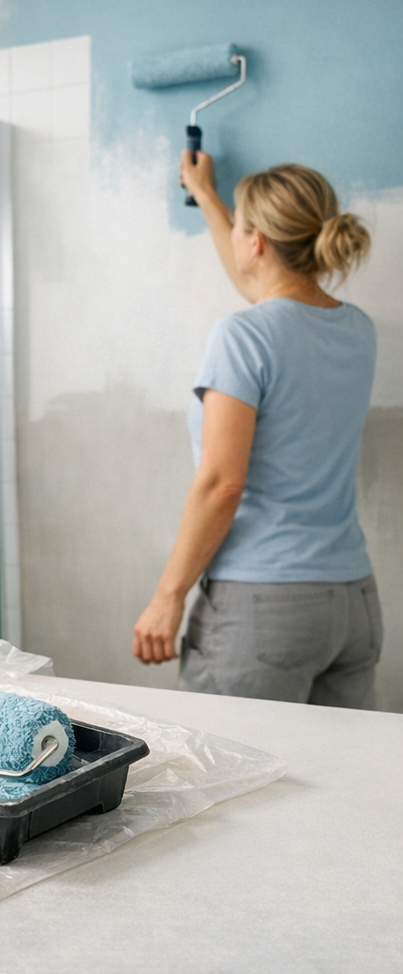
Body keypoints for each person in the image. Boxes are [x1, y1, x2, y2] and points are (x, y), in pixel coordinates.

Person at [132, 152, 382, 708]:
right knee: (342, 785)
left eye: (243, 226)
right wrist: (212, 199)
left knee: (230, 782)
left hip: (264, 608)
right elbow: (272, 295)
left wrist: (168, 597)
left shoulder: (243, 337)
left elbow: (222, 483)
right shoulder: (356, 330)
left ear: (258, 242)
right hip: (354, 603)